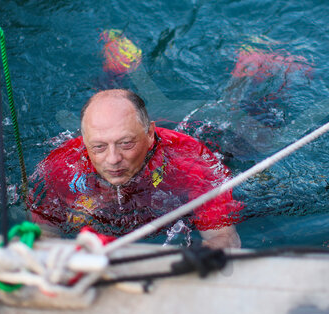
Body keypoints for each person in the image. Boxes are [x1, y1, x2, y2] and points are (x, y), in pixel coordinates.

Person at [29, 89, 243, 248]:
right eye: (99, 147)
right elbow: (44, 236)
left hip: (215, 136)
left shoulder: (193, 164)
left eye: (126, 143)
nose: (113, 159)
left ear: (150, 134)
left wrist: (206, 257)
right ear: (84, 141)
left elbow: (224, 238)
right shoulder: (59, 168)